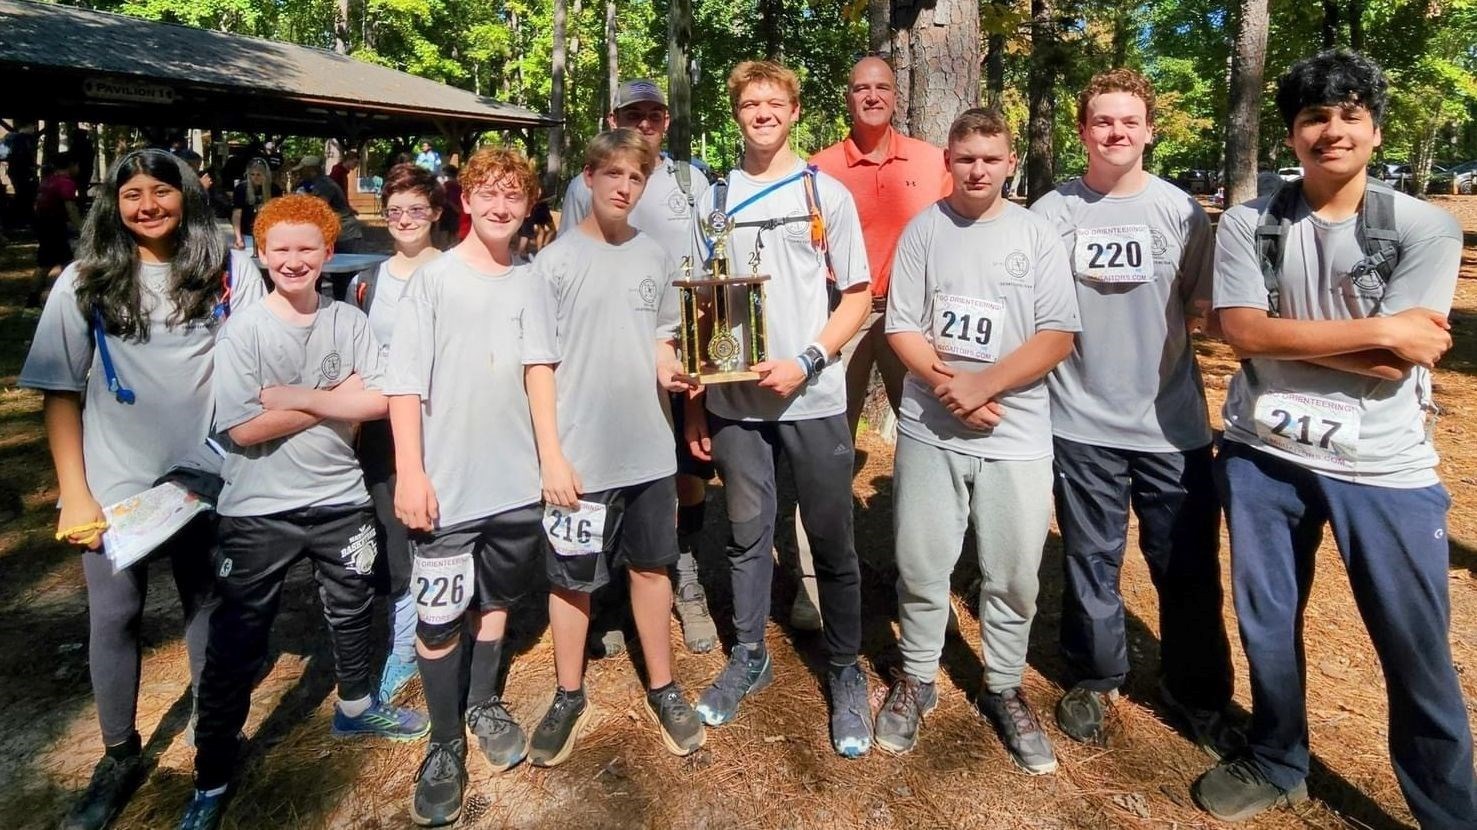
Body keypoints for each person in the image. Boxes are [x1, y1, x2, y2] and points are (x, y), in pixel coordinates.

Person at [1193, 49, 1477, 824]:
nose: (1331, 131)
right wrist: (1379, 326)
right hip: (1262, 457)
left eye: (1349, 115)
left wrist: (1285, 336)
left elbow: (1395, 367)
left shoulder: (1420, 228)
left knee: (1414, 653)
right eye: (1314, 117)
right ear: (1291, 135)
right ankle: (1277, 756)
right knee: (1267, 626)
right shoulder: (1249, 222)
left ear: (1374, 130)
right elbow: (1240, 333)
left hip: (1381, 469)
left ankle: (1449, 811)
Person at [19, 148, 267, 830]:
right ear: (114, 204)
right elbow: (61, 392)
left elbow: (257, 367)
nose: (148, 205)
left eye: (162, 190)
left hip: (207, 481)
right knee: (114, 615)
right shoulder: (84, 281)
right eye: (132, 193)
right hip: (116, 487)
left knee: (205, 606)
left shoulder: (228, 271)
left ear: (187, 195)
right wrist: (75, 493)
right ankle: (119, 753)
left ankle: (211, 740)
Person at [180, 195, 428, 829]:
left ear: (327, 254)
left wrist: (292, 397)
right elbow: (241, 431)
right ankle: (212, 770)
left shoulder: (348, 320)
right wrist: (330, 398)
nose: (294, 261)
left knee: (351, 612)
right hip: (257, 509)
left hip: (340, 498)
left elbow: (379, 400)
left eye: (307, 249)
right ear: (261, 256)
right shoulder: (243, 331)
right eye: (280, 250)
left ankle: (354, 705)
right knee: (239, 636)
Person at [1028, 69, 1237, 757]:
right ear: (1083, 130)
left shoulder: (1181, 213)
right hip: (1078, 421)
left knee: (1183, 562)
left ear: (1148, 130)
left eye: (1128, 122)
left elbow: (1202, 313)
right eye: (1101, 122)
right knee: (1090, 558)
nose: (1115, 133)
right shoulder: (1049, 214)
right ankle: (1093, 675)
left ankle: (1195, 689)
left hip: (1169, 425)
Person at [875, 108, 1077, 773]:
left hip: (1015, 432)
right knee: (922, 562)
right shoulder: (923, 232)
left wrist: (983, 385)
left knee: (1013, 571)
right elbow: (901, 327)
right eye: (965, 158)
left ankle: (1002, 685)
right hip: (931, 425)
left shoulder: (1037, 233)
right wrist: (946, 387)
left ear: (1009, 161)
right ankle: (916, 676)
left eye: (990, 158)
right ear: (948, 162)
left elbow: (1056, 335)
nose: (977, 169)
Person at [684, 60, 873, 758]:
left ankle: (845, 670)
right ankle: (748, 655)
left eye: (774, 102)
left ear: (795, 111)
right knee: (742, 535)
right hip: (736, 403)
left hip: (812, 397)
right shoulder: (712, 200)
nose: (761, 112)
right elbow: (701, 303)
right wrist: (701, 398)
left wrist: (808, 360)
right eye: (749, 103)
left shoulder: (825, 194)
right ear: (735, 114)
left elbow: (856, 294)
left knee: (831, 540)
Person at [522, 128, 706, 767]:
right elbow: (538, 364)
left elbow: (661, 341)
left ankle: (664, 685)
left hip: (649, 453)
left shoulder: (654, 258)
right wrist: (551, 455)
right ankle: (568, 693)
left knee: (653, 567)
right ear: (589, 179)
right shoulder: (554, 264)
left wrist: (672, 372)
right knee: (571, 580)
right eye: (614, 176)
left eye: (636, 179)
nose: (624, 188)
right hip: (579, 459)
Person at [384, 148, 546, 826]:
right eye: (489, 193)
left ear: (528, 206)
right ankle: (444, 741)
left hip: (515, 483)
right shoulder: (434, 283)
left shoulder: (532, 282)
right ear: (466, 201)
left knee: (498, 600)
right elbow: (403, 384)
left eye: (514, 195)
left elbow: (540, 371)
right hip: (446, 486)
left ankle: (483, 700)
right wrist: (411, 471)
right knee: (439, 613)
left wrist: (551, 461)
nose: (501, 206)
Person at [559, 77, 719, 656]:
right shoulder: (591, 181)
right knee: (601, 472)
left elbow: (709, 272)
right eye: (634, 114)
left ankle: (686, 577)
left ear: (667, 122)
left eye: (654, 114)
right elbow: (569, 272)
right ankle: (599, 588)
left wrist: (699, 358)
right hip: (604, 361)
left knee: (685, 468)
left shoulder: (690, 180)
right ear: (612, 117)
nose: (645, 123)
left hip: (675, 347)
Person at [347, 163, 447, 709]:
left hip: (445, 422)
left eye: (416, 210)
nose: (405, 220)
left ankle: (449, 625)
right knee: (397, 532)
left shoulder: (455, 269)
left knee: (447, 527)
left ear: (435, 213)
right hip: (385, 428)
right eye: (394, 212)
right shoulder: (367, 281)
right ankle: (405, 641)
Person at [811, 55, 950, 438]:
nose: (872, 96)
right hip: (841, 312)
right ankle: (828, 500)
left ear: (895, 96)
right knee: (833, 427)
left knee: (923, 424)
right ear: (848, 98)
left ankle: (915, 498)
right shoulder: (817, 169)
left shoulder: (932, 161)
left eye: (882, 87)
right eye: (861, 88)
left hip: (911, 316)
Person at [27, 152, 84, 307]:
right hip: (54, 227)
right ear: (71, 165)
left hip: (44, 225)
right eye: (77, 165)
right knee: (47, 264)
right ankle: (33, 301)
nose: (79, 168)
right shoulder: (66, 183)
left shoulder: (47, 181)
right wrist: (82, 228)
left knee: (65, 261)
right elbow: (71, 208)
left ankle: (66, 294)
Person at [293, 154, 367, 257]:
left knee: (344, 270)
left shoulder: (324, 184)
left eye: (302, 170)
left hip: (346, 233)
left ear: (311, 170)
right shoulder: (318, 182)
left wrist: (304, 197)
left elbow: (319, 207)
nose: (300, 173)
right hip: (338, 232)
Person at [230, 158, 282, 253]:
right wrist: (238, 238)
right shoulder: (241, 189)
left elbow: (278, 215)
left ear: (265, 174)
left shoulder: (274, 189)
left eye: (259, 174)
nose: (255, 177)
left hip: (268, 235)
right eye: (252, 174)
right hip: (247, 235)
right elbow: (237, 214)